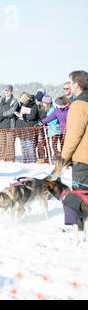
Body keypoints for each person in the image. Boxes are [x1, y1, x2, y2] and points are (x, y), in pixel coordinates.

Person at [61, 70, 88, 232]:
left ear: (76, 85)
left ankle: (77, 226)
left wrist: (63, 159)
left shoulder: (79, 105)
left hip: (83, 159)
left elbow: (73, 136)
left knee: (80, 194)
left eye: (71, 83)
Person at [0, 85, 18, 162]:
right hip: (0, 125)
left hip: (10, 126)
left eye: (8, 90)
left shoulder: (14, 101)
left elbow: (12, 112)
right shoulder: (0, 100)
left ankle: (10, 161)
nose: (7, 92)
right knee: (2, 144)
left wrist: (2, 115)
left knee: (9, 144)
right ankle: (2, 160)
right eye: (6, 90)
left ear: (11, 91)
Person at [14, 92, 39, 163]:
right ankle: (25, 160)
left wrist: (23, 116)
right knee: (23, 145)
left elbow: (33, 115)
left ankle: (33, 160)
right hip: (21, 128)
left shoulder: (33, 105)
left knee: (30, 145)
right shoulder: (20, 105)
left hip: (29, 128)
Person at [36, 94, 53, 163]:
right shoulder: (40, 108)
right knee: (40, 143)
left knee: (46, 144)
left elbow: (48, 117)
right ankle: (41, 158)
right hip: (40, 128)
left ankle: (49, 157)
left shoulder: (50, 109)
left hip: (47, 128)